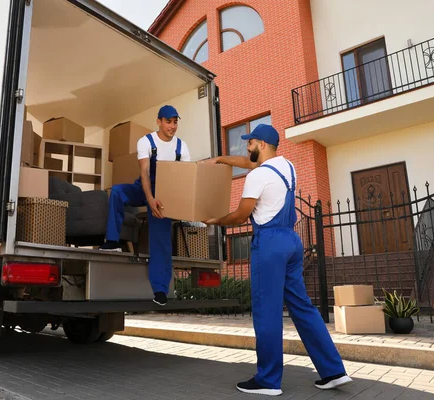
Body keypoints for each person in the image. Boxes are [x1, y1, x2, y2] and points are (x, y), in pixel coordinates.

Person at [202, 124, 351, 396]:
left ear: (260, 143)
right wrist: (221, 159)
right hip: (292, 242)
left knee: (266, 311)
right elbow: (248, 163)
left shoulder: (257, 177)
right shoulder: (287, 167)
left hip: (269, 243)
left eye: (249, 143)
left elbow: (240, 214)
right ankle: (334, 371)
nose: (246, 147)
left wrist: (215, 221)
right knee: (303, 308)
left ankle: (268, 380)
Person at [99, 105, 191, 306]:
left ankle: (160, 290)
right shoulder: (146, 141)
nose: (173, 126)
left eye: (175, 122)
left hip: (165, 193)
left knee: (160, 237)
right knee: (117, 192)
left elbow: (184, 177)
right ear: (158, 121)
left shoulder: (181, 147)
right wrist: (149, 198)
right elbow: (144, 172)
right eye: (168, 121)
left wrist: (176, 204)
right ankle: (113, 241)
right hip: (144, 187)